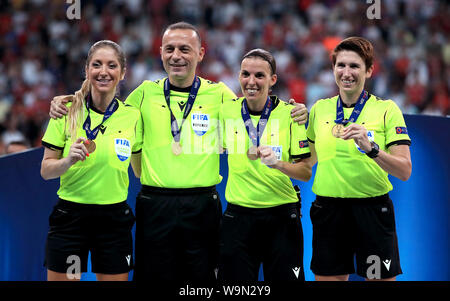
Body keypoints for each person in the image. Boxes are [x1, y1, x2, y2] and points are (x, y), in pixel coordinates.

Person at [49, 22, 308, 282]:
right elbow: (107, 111)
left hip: (203, 207)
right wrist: (69, 100)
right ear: (161, 53)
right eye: (170, 49)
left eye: (185, 49)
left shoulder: (219, 94)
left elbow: (255, 108)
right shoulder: (143, 93)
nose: (176, 56)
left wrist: (295, 109)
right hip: (155, 206)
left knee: (203, 284)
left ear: (200, 54)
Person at [306, 37, 412, 281]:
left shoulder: (387, 109)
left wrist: (372, 148)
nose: (346, 73)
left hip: (372, 210)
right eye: (340, 65)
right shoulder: (319, 108)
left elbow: (404, 171)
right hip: (329, 210)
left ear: (369, 70)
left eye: (354, 66)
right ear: (333, 69)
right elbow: (307, 161)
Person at [41, 40, 141, 281]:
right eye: (96, 65)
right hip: (70, 218)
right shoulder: (66, 111)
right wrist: (67, 161)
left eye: (111, 65)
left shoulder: (133, 116)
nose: (103, 72)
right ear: (86, 70)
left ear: (122, 73)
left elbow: (139, 171)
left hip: (114, 219)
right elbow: (46, 170)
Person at [218, 49, 312, 281]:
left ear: (273, 80)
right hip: (237, 218)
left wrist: (277, 164)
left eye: (259, 75)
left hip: (281, 218)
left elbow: (305, 172)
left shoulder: (291, 114)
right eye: (245, 74)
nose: (251, 81)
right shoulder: (226, 111)